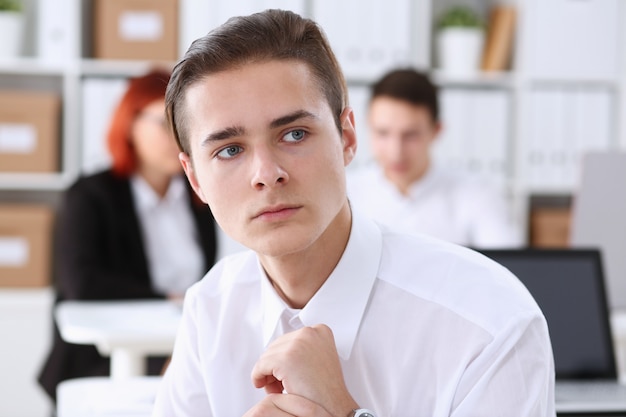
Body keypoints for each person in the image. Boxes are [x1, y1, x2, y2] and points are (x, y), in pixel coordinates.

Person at [152, 9, 555, 416]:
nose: (267, 175)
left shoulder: (489, 321)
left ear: (347, 137)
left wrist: (344, 413)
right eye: (230, 150)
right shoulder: (210, 309)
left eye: (294, 134)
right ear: (195, 178)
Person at [38, 69, 218, 401]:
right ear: (130, 124)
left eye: (184, 126)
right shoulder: (90, 195)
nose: (176, 138)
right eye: (164, 125)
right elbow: (82, 283)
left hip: (179, 346)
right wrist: (167, 300)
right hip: (105, 355)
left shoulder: (199, 198)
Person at [347, 69, 521, 248]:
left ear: (436, 130)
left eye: (411, 135)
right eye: (383, 133)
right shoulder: (346, 195)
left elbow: (508, 266)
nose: (396, 152)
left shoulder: (477, 194)